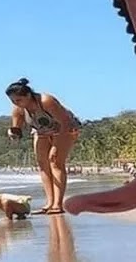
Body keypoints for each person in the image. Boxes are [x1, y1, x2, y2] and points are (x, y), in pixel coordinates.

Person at [5, 77, 81, 215]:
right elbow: (17, 128)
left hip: (65, 128)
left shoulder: (46, 101)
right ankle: (49, 203)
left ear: (28, 95)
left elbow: (65, 122)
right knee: (42, 164)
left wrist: (56, 147)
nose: (16, 103)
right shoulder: (18, 109)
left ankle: (58, 204)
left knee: (55, 161)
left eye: (19, 100)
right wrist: (13, 134)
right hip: (41, 131)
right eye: (13, 101)